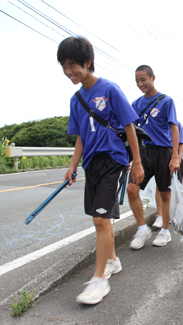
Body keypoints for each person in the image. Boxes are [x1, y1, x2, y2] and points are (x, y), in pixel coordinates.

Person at [58, 36, 144, 304]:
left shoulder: (109, 89)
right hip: (91, 163)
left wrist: (138, 162)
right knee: (99, 218)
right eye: (63, 66)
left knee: (100, 219)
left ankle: (99, 280)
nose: (69, 71)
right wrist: (73, 164)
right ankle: (113, 261)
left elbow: (129, 125)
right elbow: (81, 136)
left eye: (72, 65)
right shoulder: (76, 100)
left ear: (87, 62)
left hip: (114, 159)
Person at [127, 65, 180, 248]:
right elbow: (130, 131)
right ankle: (142, 228)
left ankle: (165, 231)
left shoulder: (166, 101)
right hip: (143, 152)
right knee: (131, 189)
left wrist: (175, 156)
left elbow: (174, 128)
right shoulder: (136, 104)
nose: (140, 83)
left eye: (143, 79)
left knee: (165, 193)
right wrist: (129, 158)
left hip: (163, 151)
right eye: (137, 80)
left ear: (153, 78)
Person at [153, 123, 183, 229]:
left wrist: (178, 158)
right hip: (162, 157)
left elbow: (182, 143)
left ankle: (176, 214)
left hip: (175, 159)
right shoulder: (157, 122)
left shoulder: (176, 124)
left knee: (176, 187)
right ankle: (160, 216)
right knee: (160, 186)